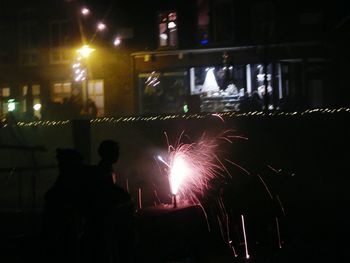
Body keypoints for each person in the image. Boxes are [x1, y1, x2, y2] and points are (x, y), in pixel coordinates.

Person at [83, 140, 135, 263]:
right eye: (115, 152)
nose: (118, 154)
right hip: (102, 220)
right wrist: (125, 196)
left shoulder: (105, 168)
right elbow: (108, 191)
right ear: (108, 153)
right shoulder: (104, 170)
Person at [41, 148, 86, 263]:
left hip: (63, 226)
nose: (59, 166)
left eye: (61, 163)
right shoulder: (69, 179)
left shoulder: (66, 179)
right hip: (63, 227)